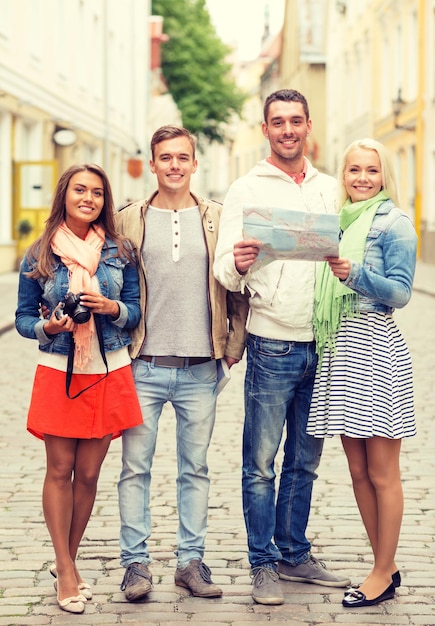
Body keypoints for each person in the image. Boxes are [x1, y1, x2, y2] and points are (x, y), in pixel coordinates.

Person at [213, 89, 351, 605]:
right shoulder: (246, 188)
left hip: (327, 342)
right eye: (278, 122)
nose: (288, 130)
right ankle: (263, 562)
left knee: (305, 461)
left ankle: (294, 554)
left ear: (308, 125)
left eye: (296, 121)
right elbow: (223, 269)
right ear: (265, 129)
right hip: (273, 341)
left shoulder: (332, 189)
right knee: (261, 462)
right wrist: (242, 262)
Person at [115, 125, 249, 601]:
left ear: (195, 164)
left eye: (182, 158)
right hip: (142, 365)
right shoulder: (129, 219)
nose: (174, 165)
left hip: (200, 368)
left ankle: (190, 562)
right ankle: (136, 566)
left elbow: (237, 283)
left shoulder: (216, 218)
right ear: (152, 164)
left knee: (195, 468)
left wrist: (233, 348)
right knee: (135, 468)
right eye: (165, 158)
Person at [15, 164, 143, 615]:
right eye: (79, 190)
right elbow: (22, 319)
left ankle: (64, 560)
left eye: (96, 192)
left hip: (107, 367)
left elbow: (134, 311)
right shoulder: (39, 253)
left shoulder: (120, 251)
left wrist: (110, 307)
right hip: (58, 369)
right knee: (60, 469)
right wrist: (48, 326)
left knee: (88, 475)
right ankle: (67, 570)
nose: (88, 198)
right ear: (64, 196)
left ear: (104, 200)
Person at [307, 138, 417, 608]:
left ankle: (379, 570)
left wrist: (356, 276)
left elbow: (402, 293)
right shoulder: (336, 222)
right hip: (340, 350)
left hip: (375, 347)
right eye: (354, 170)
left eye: (372, 171)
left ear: (383, 175)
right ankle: (384, 565)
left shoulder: (396, 223)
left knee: (381, 470)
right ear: (343, 174)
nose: (362, 178)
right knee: (356, 470)